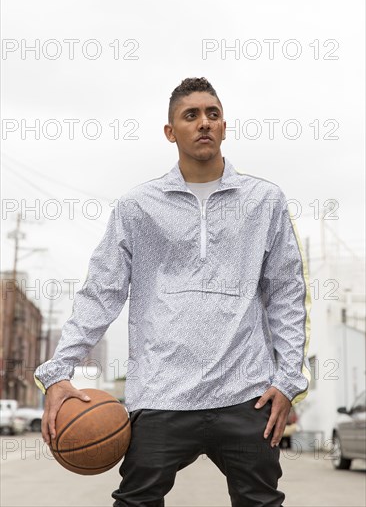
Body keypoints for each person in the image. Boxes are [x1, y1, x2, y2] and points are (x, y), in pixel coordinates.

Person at [34, 77, 312, 507]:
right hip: (161, 395)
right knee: (136, 502)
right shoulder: (137, 206)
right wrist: (58, 371)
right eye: (191, 115)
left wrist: (287, 379)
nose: (204, 122)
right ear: (171, 132)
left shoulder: (265, 201)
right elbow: (101, 292)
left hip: (246, 396)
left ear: (224, 126)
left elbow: (286, 295)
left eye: (213, 114)